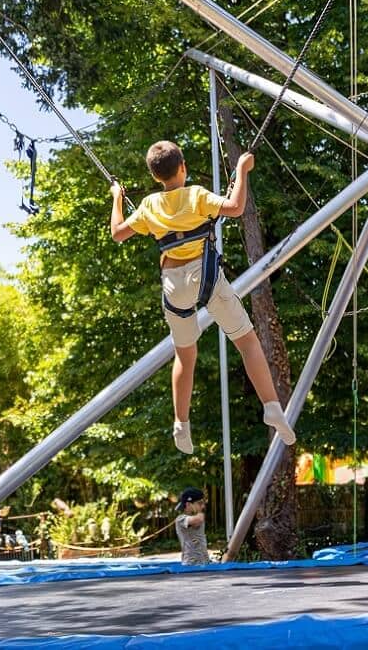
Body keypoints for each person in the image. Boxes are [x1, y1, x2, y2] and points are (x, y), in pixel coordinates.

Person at [110, 141, 296, 454]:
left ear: (156, 176)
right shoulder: (196, 195)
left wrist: (117, 198)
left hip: (174, 285)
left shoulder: (149, 205)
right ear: (183, 166)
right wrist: (241, 170)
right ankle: (272, 405)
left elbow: (117, 232)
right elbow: (235, 207)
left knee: (186, 355)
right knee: (247, 342)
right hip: (207, 277)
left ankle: (181, 423)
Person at [174, 487, 210, 566]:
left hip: (204, 563)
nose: (203, 506)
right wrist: (201, 511)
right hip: (190, 565)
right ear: (188, 504)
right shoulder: (180, 519)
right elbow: (197, 520)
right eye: (200, 503)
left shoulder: (198, 515)